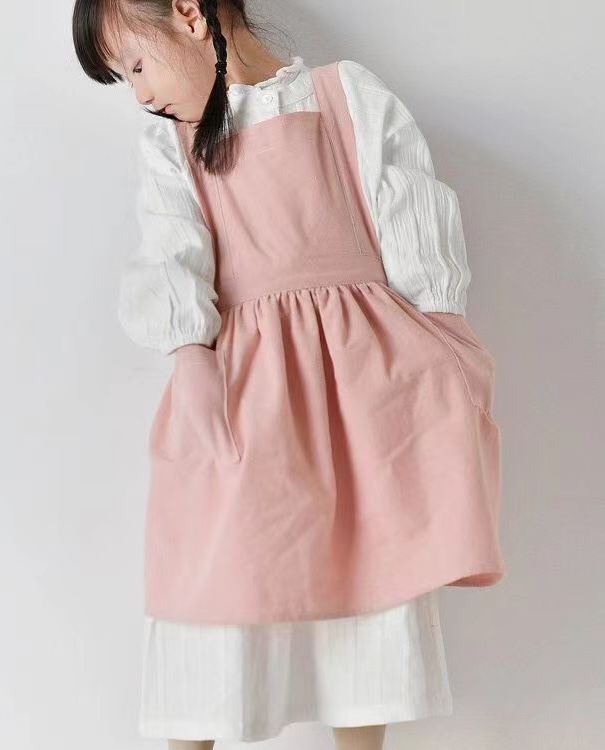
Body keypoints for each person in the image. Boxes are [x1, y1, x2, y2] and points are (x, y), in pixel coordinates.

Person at [72, 1, 506, 748]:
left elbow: (414, 224)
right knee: (214, 590)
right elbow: (171, 252)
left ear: (189, 14)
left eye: (136, 65)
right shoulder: (173, 146)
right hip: (242, 396)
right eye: (125, 79)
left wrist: (447, 346)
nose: (140, 94)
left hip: (364, 390)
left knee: (368, 581)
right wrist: (189, 353)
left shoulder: (345, 98)